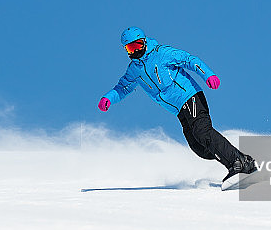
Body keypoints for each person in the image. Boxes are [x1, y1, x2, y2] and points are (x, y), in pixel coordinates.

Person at [98, 27, 256, 183]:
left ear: (144, 42)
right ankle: (244, 161)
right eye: (130, 48)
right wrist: (108, 98)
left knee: (202, 132)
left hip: (190, 96)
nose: (135, 50)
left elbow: (189, 60)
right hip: (178, 110)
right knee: (198, 147)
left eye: (137, 45)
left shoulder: (162, 53)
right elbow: (122, 88)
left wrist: (208, 75)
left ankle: (238, 163)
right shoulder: (134, 70)